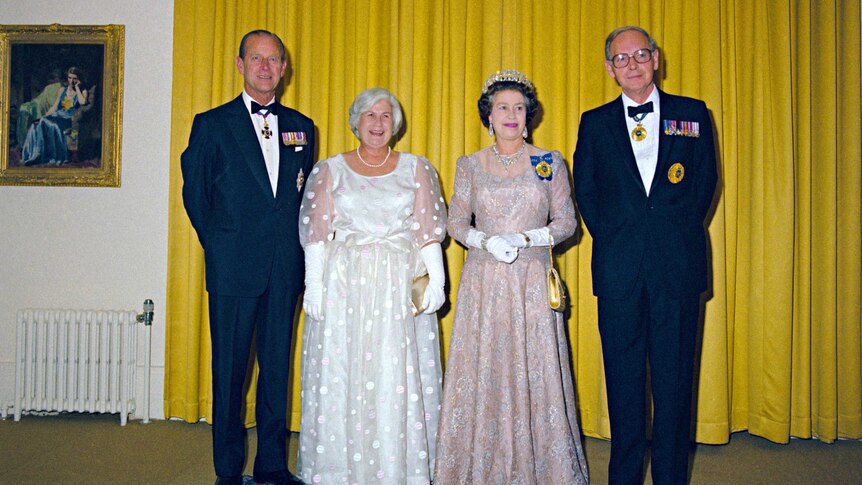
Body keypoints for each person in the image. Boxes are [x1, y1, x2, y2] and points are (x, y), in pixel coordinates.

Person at [572, 26, 718, 485]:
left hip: (677, 266)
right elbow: (587, 192)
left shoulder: (692, 114)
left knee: (675, 386)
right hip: (619, 271)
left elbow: (704, 185)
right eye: (621, 58)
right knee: (624, 386)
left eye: (639, 54)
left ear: (655, 58)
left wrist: (667, 235)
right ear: (610, 68)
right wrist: (621, 239)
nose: (631, 64)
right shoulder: (593, 122)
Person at [435, 70, 589, 484]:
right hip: (484, 282)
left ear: (529, 116)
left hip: (531, 282)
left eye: (519, 108)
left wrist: (526, 237)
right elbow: (453, 221)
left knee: (534, 369)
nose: (512, 115)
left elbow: (567, 222)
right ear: (489, 115)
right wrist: (484, 241)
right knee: (485, 368)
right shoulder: (469, 164)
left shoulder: (548, 161)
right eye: (503, 107)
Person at [181, 29, 315, 485]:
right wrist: (218, 245)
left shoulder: (302, 126)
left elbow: (303, 198)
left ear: (283, 67)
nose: (264, 67)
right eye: (255, 58)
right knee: (230, 375)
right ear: (240, 64)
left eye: (273, 59)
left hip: (284, 269)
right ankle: (228, 471)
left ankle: (273, 466)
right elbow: (195, 195)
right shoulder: (212, 124)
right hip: (233, 269)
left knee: (276, 371)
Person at [297, 87, 447, 484]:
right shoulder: (330, 169)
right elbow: (315, 233)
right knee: (344, 370)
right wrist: (313, 286)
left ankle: (398, 469)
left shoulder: (417, 168)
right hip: (346, 286)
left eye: (385, 116)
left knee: (394, 374)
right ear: (356, 121)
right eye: (369, 115)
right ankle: (340, 472)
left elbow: (428, 230)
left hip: (398, 286)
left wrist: (438, 281)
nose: (378, 123)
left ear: (395, 124)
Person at [20, 67, 89, 165]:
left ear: (79, 79)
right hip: (56, 115)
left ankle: (43, 156)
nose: (71, 81)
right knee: (37, 124)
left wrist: (77, 88)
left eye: (74, 78)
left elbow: (82, 102)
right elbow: (55, 107)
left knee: (46, 123)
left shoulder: (83, 91)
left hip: (66, 119)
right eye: (70, 78)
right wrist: (43, 117)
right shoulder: (62, 90)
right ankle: (34, 155)